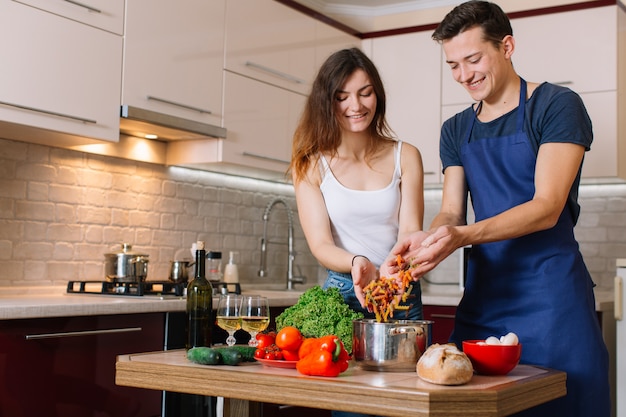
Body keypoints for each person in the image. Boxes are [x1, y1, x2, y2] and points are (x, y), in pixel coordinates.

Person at [380, 2, 610, 416]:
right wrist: (429, 238)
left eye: (473, 59)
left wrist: (463, 235)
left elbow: (546, 207)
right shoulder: (455, 129)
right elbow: (451, 211)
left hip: (553, 299)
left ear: (507, 46)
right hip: (485, 303)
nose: (464, 75)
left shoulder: (556, 106)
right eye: (453, 65)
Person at [290, 47, 425, 323]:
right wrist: (356, 262)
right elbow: (321, 244)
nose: (357, 106)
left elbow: (410, 231)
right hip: (343, 290)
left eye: (365, 93)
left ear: (378, 95)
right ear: (326, 102)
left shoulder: (406, 156)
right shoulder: (309, 165)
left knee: (406, 367)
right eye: (342, 97)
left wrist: (391, 271)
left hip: (398, 290)